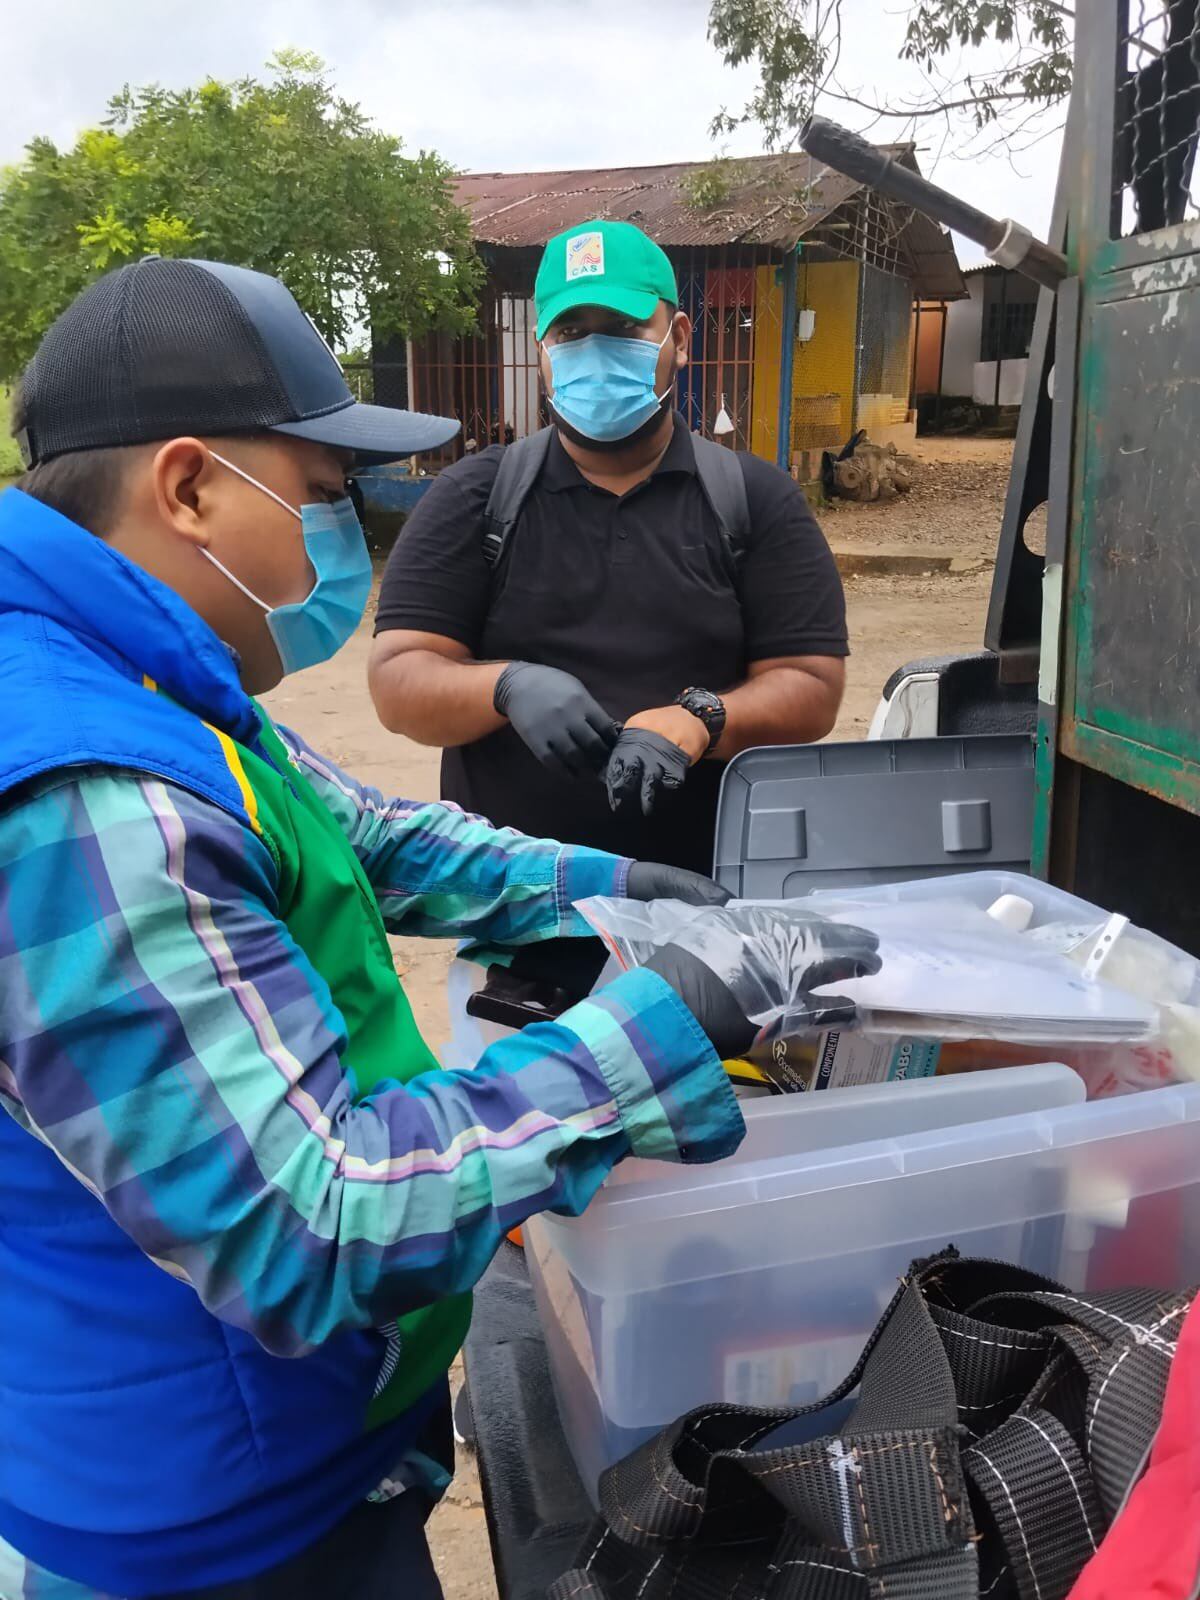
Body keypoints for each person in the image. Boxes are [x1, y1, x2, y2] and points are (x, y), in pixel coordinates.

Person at [0, 256, 800, 1599]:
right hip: (216, 1525)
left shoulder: (145, 668)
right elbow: (307, 1223)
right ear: (190, 487)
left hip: (295, 1446)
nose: (337, 547)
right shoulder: (89, 795)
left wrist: (607, 884)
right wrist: (656, 1028)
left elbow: (362, 836)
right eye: (318, 501)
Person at [369, 218, 850, 878]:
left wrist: (701, 721)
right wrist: (506, 687)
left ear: (678, 339)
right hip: (518, 917)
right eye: (570, 333)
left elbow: (812, 687)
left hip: (710, 904)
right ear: (543, 352)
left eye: (623, 330)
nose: (594, 352)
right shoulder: (475, 498)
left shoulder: (755, 500)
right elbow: (398, 681)